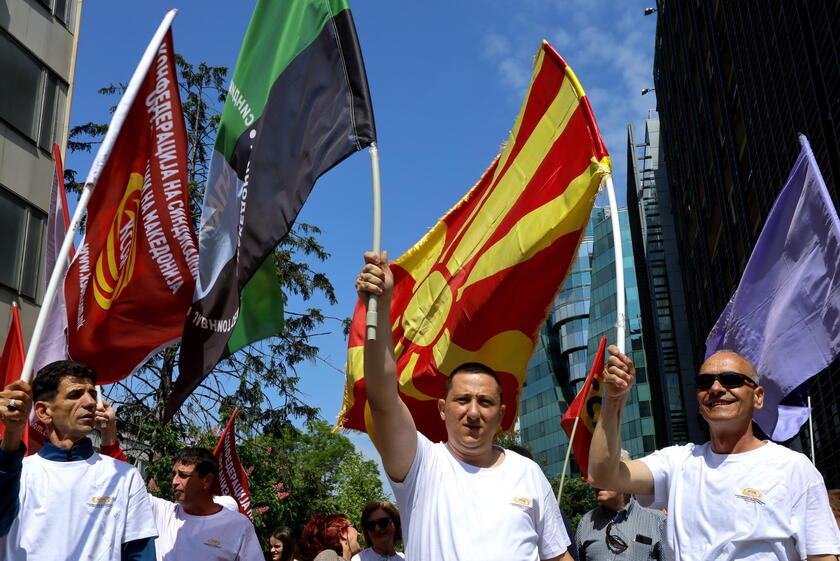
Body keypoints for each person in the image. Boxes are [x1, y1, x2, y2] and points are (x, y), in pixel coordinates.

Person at [356, 251, 572, 560]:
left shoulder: (528, 473)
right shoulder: (422, 465)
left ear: (502, 414)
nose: (473, 412)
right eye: (463, 400)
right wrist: (378, 307)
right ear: (442, 409)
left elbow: (557, 556)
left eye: (485, 402)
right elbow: (382, 396)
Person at [589, 348, 840, 560]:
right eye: (704, 382)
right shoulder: (677, 462)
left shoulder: (794, 467)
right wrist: (614, 399)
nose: (716, 388)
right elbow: (605, 475)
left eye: (731, 379)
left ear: (758, 397)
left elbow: (822, 555)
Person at [0, 360, 158, 560]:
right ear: (43, 412)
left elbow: (140, 553)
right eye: (75, 395)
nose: (91, 403)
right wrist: (13, 432)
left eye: (92, 394)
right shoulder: (17, 472)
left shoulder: (124, 476)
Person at [149, 447, 263, 561]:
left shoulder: (239, 526)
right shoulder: (161, 512)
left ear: (207, 480)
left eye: (183, 475)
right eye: (173, 474)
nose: (174, 481)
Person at [575, 451, 664, 561]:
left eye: (605, 473)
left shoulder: (658, 521)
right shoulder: (585, 524)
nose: (597, 481)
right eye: (594, 475)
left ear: (625, 477)